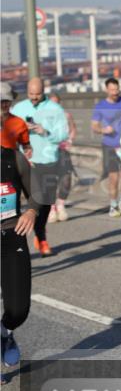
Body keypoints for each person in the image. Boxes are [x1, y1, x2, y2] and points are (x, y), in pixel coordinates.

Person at [1, 83, 41, 373]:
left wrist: (31, 210)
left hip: (11, 235)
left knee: (19, 309)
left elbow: (37, 189)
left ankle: (5, 332)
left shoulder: (11, 156)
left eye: (5, 105)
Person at [10, 77, 69, 256]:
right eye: (31, 94)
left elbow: (63, 134)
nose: (34, 97)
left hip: (48, 161)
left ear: (44, 91)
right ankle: (16, 242)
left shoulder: (55, 109)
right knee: (26, 203)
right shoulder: (19, 109)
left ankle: (40, 235)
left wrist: (45, 131)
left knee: (44, 204)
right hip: (25, 162)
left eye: (38, 94)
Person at [91, 78, 121, 217]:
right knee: (113, 179)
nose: (115, 92)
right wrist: (104, 130)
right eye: (112, 90)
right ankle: (113, 206)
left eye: (117, 89)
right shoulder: (100, 106)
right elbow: (94, 126)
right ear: (106, 90)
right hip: (109, 146)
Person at [47, 91, 76, 222]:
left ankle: (61, 205)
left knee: (66, 178)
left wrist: (70, 140)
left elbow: (73, 128)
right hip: (48, 152)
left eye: (56, 103)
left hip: (63, 151)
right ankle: (52, 209)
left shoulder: (66, 115)